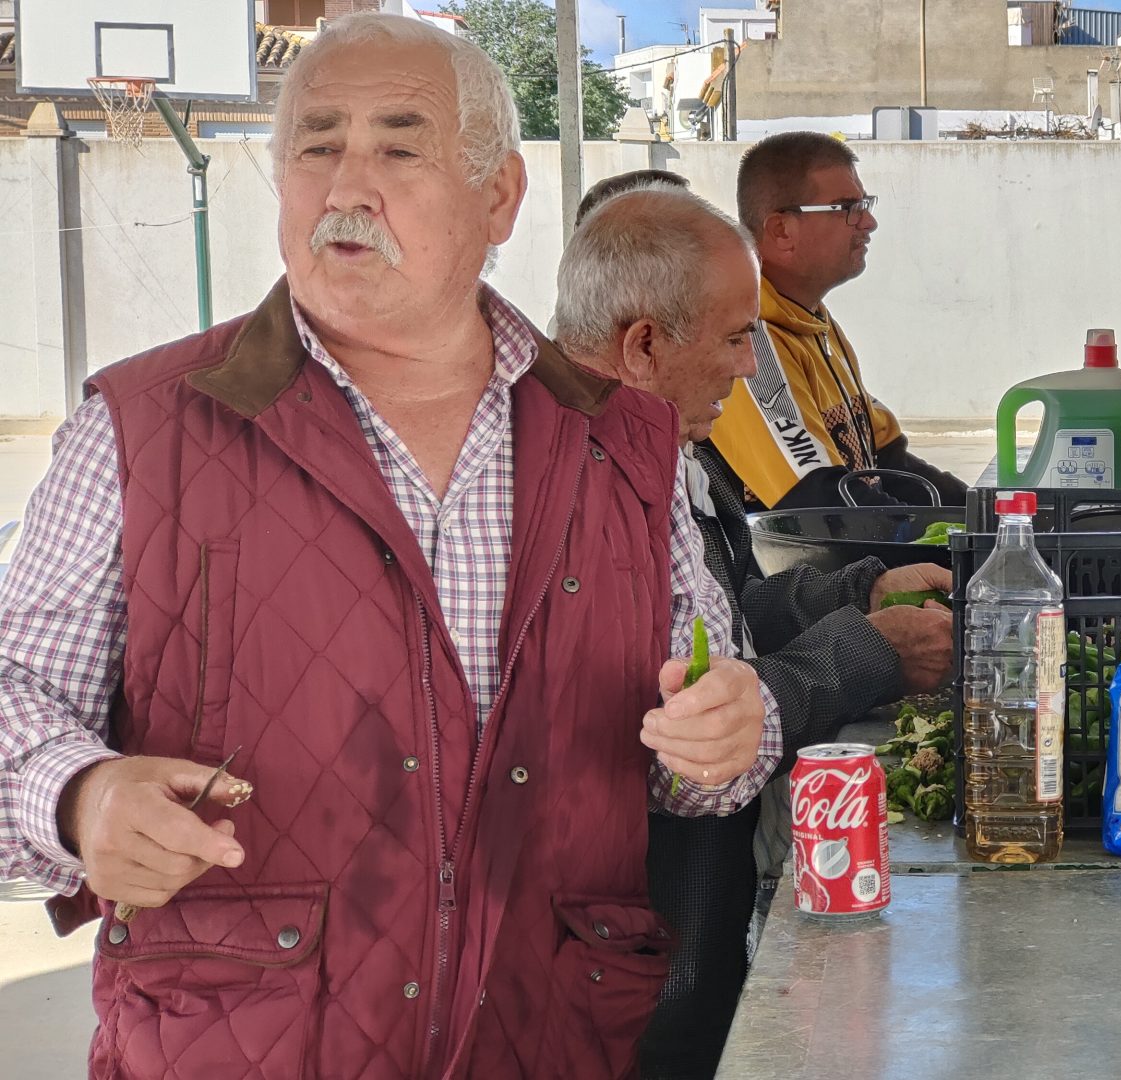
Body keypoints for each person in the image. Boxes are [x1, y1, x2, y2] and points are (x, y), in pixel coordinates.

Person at [0, 14, 780, 1078]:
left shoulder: (622, 443)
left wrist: (731, 732)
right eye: (316, 146)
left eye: (399, 149)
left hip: (552, 1040)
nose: (347, 188)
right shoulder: (141, 428)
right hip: (234, 1044)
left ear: (498, 197)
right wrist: (79, 795)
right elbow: (16, 689)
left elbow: (708, 742)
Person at [552, 184, 956, 1078]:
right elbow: (697, 745)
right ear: (644, 345)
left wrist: (861, 589)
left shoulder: (660, 450)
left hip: (663, 954)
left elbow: (714, 624)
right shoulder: (580, 483)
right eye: (737, 339)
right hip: (626, 981)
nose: (747, 369)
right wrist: (871, 652)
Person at [706, 131, 969, 511]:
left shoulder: (815, 322)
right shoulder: (748, 340)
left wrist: (989, 512)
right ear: (782, 230)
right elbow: (819, 503)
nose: (869, 222)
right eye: (848, 207)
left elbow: (888, 462)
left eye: (865, 204)